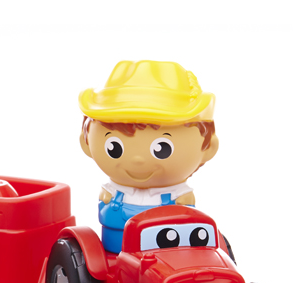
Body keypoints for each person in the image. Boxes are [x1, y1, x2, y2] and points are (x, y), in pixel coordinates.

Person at [78, 60, 219, 253]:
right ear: (86, 142)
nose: (138, 160)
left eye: (162, 149)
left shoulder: (179, 195)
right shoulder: (113, 191)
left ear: (208, 147)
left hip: (170, 253)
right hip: (116, 249)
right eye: (114, 148)